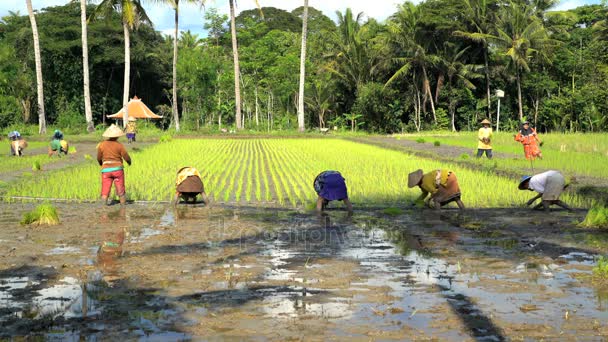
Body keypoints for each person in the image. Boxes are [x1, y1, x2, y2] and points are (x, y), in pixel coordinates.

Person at [97, 124, 131, 206]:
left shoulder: (102, 145)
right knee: (120, 190)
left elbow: (99, 157)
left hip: (106, 170)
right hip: (118, 170)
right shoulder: (119, 145)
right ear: (117, 136)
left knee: (105, 190)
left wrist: (101, 164)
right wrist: (129, 162)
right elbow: (126, 156)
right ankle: (123, 207)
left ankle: (103, 208)